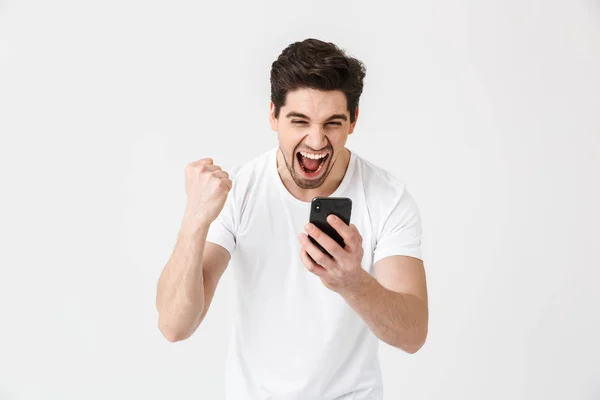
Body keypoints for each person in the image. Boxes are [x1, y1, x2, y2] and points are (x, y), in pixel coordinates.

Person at [155, 38, 429, 400]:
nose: (316, 140)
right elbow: (175, 326)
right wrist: (195, 219)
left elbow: (412, 335)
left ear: (354, 120)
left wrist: (353, 282)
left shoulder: (388, 199)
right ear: (273, 115)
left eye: (333, 123)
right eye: (299, 121)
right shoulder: (238, 191)